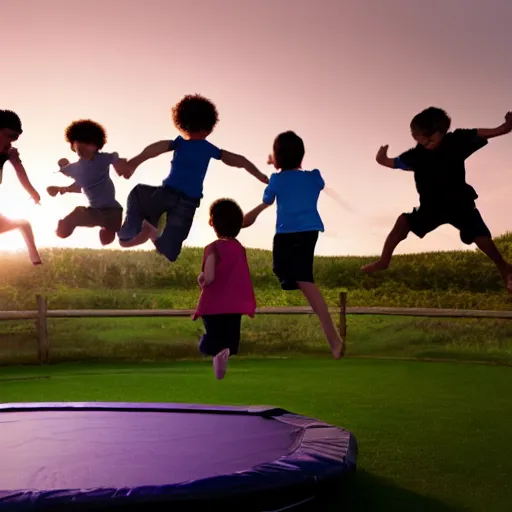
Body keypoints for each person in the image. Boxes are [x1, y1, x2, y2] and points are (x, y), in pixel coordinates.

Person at [362, 107, 512, 291]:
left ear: (441, 132)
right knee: (403, 222)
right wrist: (381, 159)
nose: (426, 144)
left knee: (479, 235)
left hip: (459, 203)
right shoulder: (416, 155)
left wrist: (504, 127)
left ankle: (503, 267)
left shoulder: (457, 141)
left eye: (430, 139)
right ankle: (384, 261)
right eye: (420, 141)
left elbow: (488, 133)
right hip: (431, 207)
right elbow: (393, 163)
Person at [118, 94, 268, 263]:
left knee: (138, 194)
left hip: (165, 194)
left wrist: (134, 162)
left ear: (180, 124)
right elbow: (238, 160)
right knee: (170, 251)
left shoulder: (179, 143)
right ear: (209, 128)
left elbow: (155, 149)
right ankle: (152, 232)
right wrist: (258, 175)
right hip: (187, 204)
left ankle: (133, 231)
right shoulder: (209, 149)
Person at [242, 131, 345, 359]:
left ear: (277, 158)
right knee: (290, 275)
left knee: (295, 277)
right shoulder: (313, 177)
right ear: (301, 156)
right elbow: (318, 183)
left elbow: (267, 200)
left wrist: (276, 168)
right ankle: (301, 282)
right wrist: (282, 164)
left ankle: (334, 340)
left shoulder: (277, 179)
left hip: (287, 234)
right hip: (309, 233)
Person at [193, 198, 256, 380]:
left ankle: (211, 349)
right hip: (233, 306)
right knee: (230, 342)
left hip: (213, 306)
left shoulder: (212, 248)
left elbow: (210, 277)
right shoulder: (239, 249)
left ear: (214, 223)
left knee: (212, 340)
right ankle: (221, 361)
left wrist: (201, 278)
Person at [47, 119, 129, 245]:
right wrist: (58, 188)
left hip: (113, 211)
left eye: (86, 150)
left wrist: (121, 166)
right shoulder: (76, 167)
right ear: (74, 148)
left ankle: (107, 231)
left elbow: (115, 157)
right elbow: (75, 184)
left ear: (96, 145)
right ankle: (66, 225)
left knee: (106, 238)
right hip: (94, 211)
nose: (83, 155)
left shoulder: (102, 159)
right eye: (79, 152)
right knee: (76, 217)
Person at [0, 110, 42, 265]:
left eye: (14, 139)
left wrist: (33, 193)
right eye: (9, 137)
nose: (10, 144)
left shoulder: (6, 154)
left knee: (24, 224)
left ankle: (35, 259)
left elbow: (20, 173)